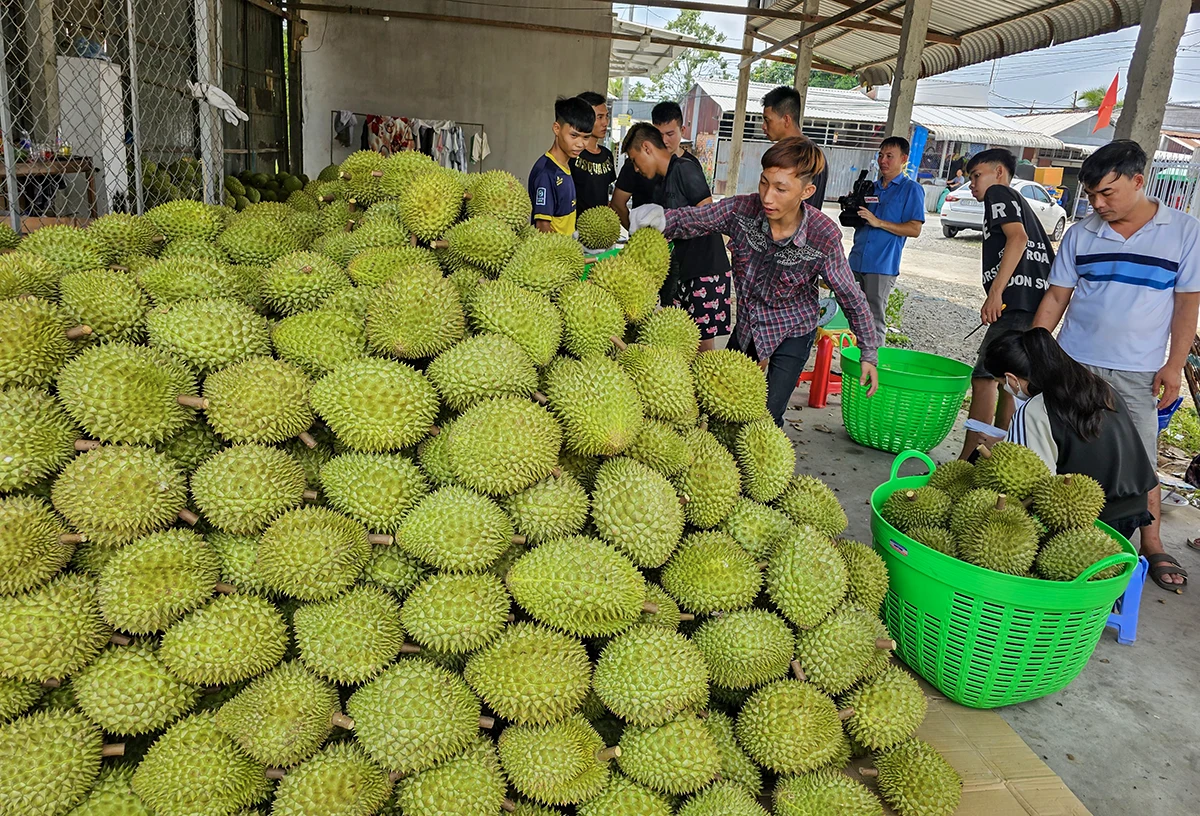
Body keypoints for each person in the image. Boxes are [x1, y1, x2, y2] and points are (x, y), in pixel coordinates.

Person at [1033, 139, 1200, 592]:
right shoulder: (1082, 233)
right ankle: (1052, 537)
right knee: (1062, 451)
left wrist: (1173, 365)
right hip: (1075, 362)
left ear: (1138, 181)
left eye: (1108, 193)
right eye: (1091, 196)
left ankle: (1151, 541)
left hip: (1138, 371)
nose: (1098, 204)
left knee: (1140, 457)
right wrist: (1036, 354)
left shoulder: (1183, 231)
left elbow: (1187, 305)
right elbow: (1056, 297)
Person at [628, 137, 880, 426]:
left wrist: (868, 352)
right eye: (764, 183)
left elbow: (850, 295)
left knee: (767, 416)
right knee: (722, 405)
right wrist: (661, 219)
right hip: (749, 323)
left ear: (806, 191)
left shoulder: (823, 235)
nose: (767, 197)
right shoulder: (742, 211)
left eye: (781, 188)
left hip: (792, 328)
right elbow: (698, 218)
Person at [984, 328, 1159, 540]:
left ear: (1011, 378)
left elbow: (1032, 484)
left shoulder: (1033, 410)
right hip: (1130, 517)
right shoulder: (1101, 387)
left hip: (1084, 522)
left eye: (1003, 384)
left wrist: (1002, 454)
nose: (1006, 389)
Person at [958, 148, 1053, 460]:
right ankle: (997, 455)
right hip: (1033, 304)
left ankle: (970, 457)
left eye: (976, 176)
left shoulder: (999, 193)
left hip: (1016, 304)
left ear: (999, 172)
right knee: (1009, 382)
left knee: (984, 376)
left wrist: (996, 293)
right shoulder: (1020, 202)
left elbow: (1018, 239)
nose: (971, 184)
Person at [622, 123, 732, 350]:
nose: (635, 168)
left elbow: (708, 215)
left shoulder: (684, 168)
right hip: (684, 272)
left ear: (647, 148)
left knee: (703, 349)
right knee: (683, 344)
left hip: (706, 271)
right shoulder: (662, 181)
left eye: (634, 160)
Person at [847, 136, 926, 341]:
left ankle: (872, 368)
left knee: (874, 318)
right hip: (856, 260)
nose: (883, 161)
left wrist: (879, 222)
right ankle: (856, 363)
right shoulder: (870, 188)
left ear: (904, 159)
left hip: (882, 264)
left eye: (890, 156)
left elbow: (915, 229)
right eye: (881, 155)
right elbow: (861, 220)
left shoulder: (911, 189)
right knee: (854, 316)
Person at [611, 101, 700, 229]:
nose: (664, 140)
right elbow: (618, 204)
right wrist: (637, 233)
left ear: (682, 130)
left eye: (670, 134)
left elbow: (703, 212)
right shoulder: (635, 163)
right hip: (646, 244)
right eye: (659, 134)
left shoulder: (691, 166)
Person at [528, 96, 594, 235]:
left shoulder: (566, 166)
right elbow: (542, 226)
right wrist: (565, 253)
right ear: (557, 129)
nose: (580, 143)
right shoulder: (546, 173)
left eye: (586, 137)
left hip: (566, 250)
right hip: (553, 254)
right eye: (574, 136)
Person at [761, 85, 828, 208]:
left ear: (786, 119)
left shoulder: (808, 156)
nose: (763, 126)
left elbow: (806, 208)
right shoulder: (783, 152)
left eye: (767, 120)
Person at [570, 91, 616, 213]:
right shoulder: (572, 154)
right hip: (574, 228)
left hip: (600, 226)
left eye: (607, 116)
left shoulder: (607, 155)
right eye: (599, 117)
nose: (605, 122)